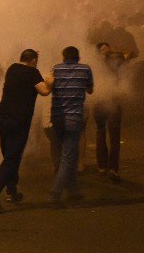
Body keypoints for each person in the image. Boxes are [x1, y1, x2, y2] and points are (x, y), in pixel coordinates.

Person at [0, 49, 50, 213]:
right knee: (12, 159)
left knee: (9, 156)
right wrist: (51, 80)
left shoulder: (12, 69)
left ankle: (12, 192)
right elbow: (44, 91)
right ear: (33, 60)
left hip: (3, 117)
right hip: (19, 121)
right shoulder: (33, 72)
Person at [47, 46, 93, 207]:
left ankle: (74, 190)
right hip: (73, 118)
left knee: (69, 155)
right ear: (78, 57)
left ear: (63, 57)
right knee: (68, 156)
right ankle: (55, 193)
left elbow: (49, 86)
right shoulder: (85, 69)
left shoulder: (56, 69)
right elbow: (90, 90)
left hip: (57, 118)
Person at [92, 42, 131, 182]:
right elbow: (129, 54)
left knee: (105, 135)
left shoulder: (100, 63)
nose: (107, 51)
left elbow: (129, 54)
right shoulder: (112, 62)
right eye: (103, 49)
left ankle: (106, 168)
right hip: (106, 102)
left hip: (106, 102)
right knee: (109, 136)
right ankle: (110, 168)